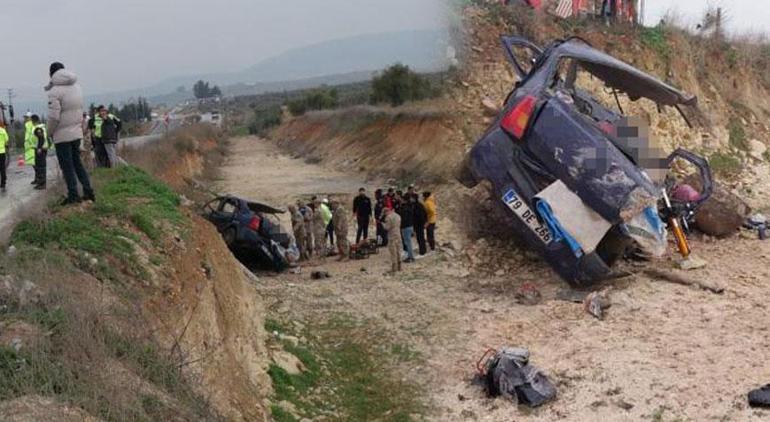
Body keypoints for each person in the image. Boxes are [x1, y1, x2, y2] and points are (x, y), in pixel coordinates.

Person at [46, 62, 95, 205]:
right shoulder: (77, 87)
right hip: (76, 133)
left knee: (67, 166)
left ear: (51, 74)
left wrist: (49, 132)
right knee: (77, 163)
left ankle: (73, 195)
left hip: (62, 135)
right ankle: (88, 191)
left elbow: (54, 117)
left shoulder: (54, 92)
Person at [31, 115, 50, 190]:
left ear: (33, 121)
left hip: (41, 149)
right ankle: (40, 182)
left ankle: (42, 184)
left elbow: (41, 138)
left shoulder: (38, 128)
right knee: (40, 165)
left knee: (41, 166)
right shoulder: (42, 127)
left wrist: (39, 148)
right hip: (41, 148)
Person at [383, 207, 402, 274]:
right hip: (398, 234)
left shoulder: (388, 217)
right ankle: (400, 266)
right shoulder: (397, 215)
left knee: (393, 251)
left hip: (392, 236)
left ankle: (394, 267)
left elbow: (387, 227)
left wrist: (383, 225)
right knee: (398, 250)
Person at [399, 195, 416, 263]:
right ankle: (410, 256)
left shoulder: (404, 208)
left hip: (405, 227)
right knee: (408, 242)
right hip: (410, 226)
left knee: (407, 242)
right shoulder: (410, 206)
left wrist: (400, 225)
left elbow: (404, 218)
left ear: (404, 200)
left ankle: (411, 257)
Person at [23, 112, 35, 181]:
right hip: (29, 147)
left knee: (35, 164)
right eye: (25, 117)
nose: (25, 119)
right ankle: (37, 178)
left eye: (27, 117)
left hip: (31, 146)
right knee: (33, 164)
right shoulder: (27, 125)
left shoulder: (30, 125)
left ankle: (39, 179)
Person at [0, 123, 8, 192]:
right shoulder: (3, 131)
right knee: (2, 167)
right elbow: (6, 140)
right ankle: (3, 183)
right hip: (2, 152)